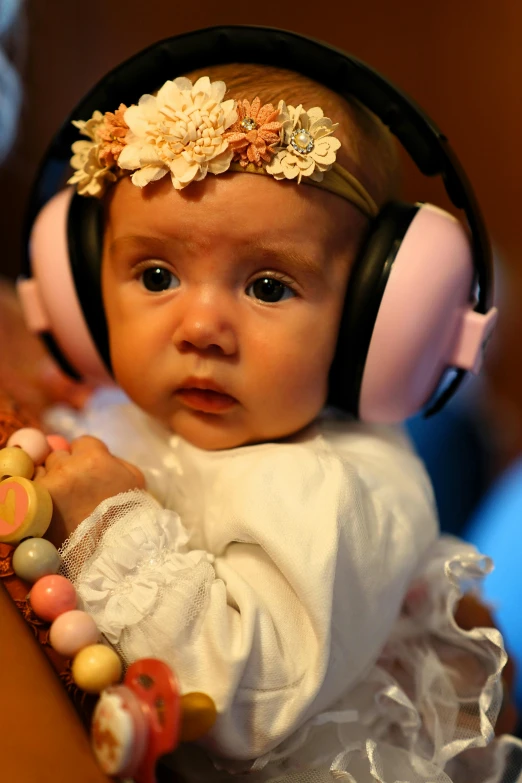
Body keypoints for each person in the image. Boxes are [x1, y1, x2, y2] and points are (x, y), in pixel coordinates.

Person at [18, 27, 518, 782]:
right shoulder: (131, 406)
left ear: (369, 323)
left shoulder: (340, 488)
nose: (201, 329)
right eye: (156, 275)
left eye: (267, 286)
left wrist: (106, 525)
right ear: (83, 287)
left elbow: (239, 697)